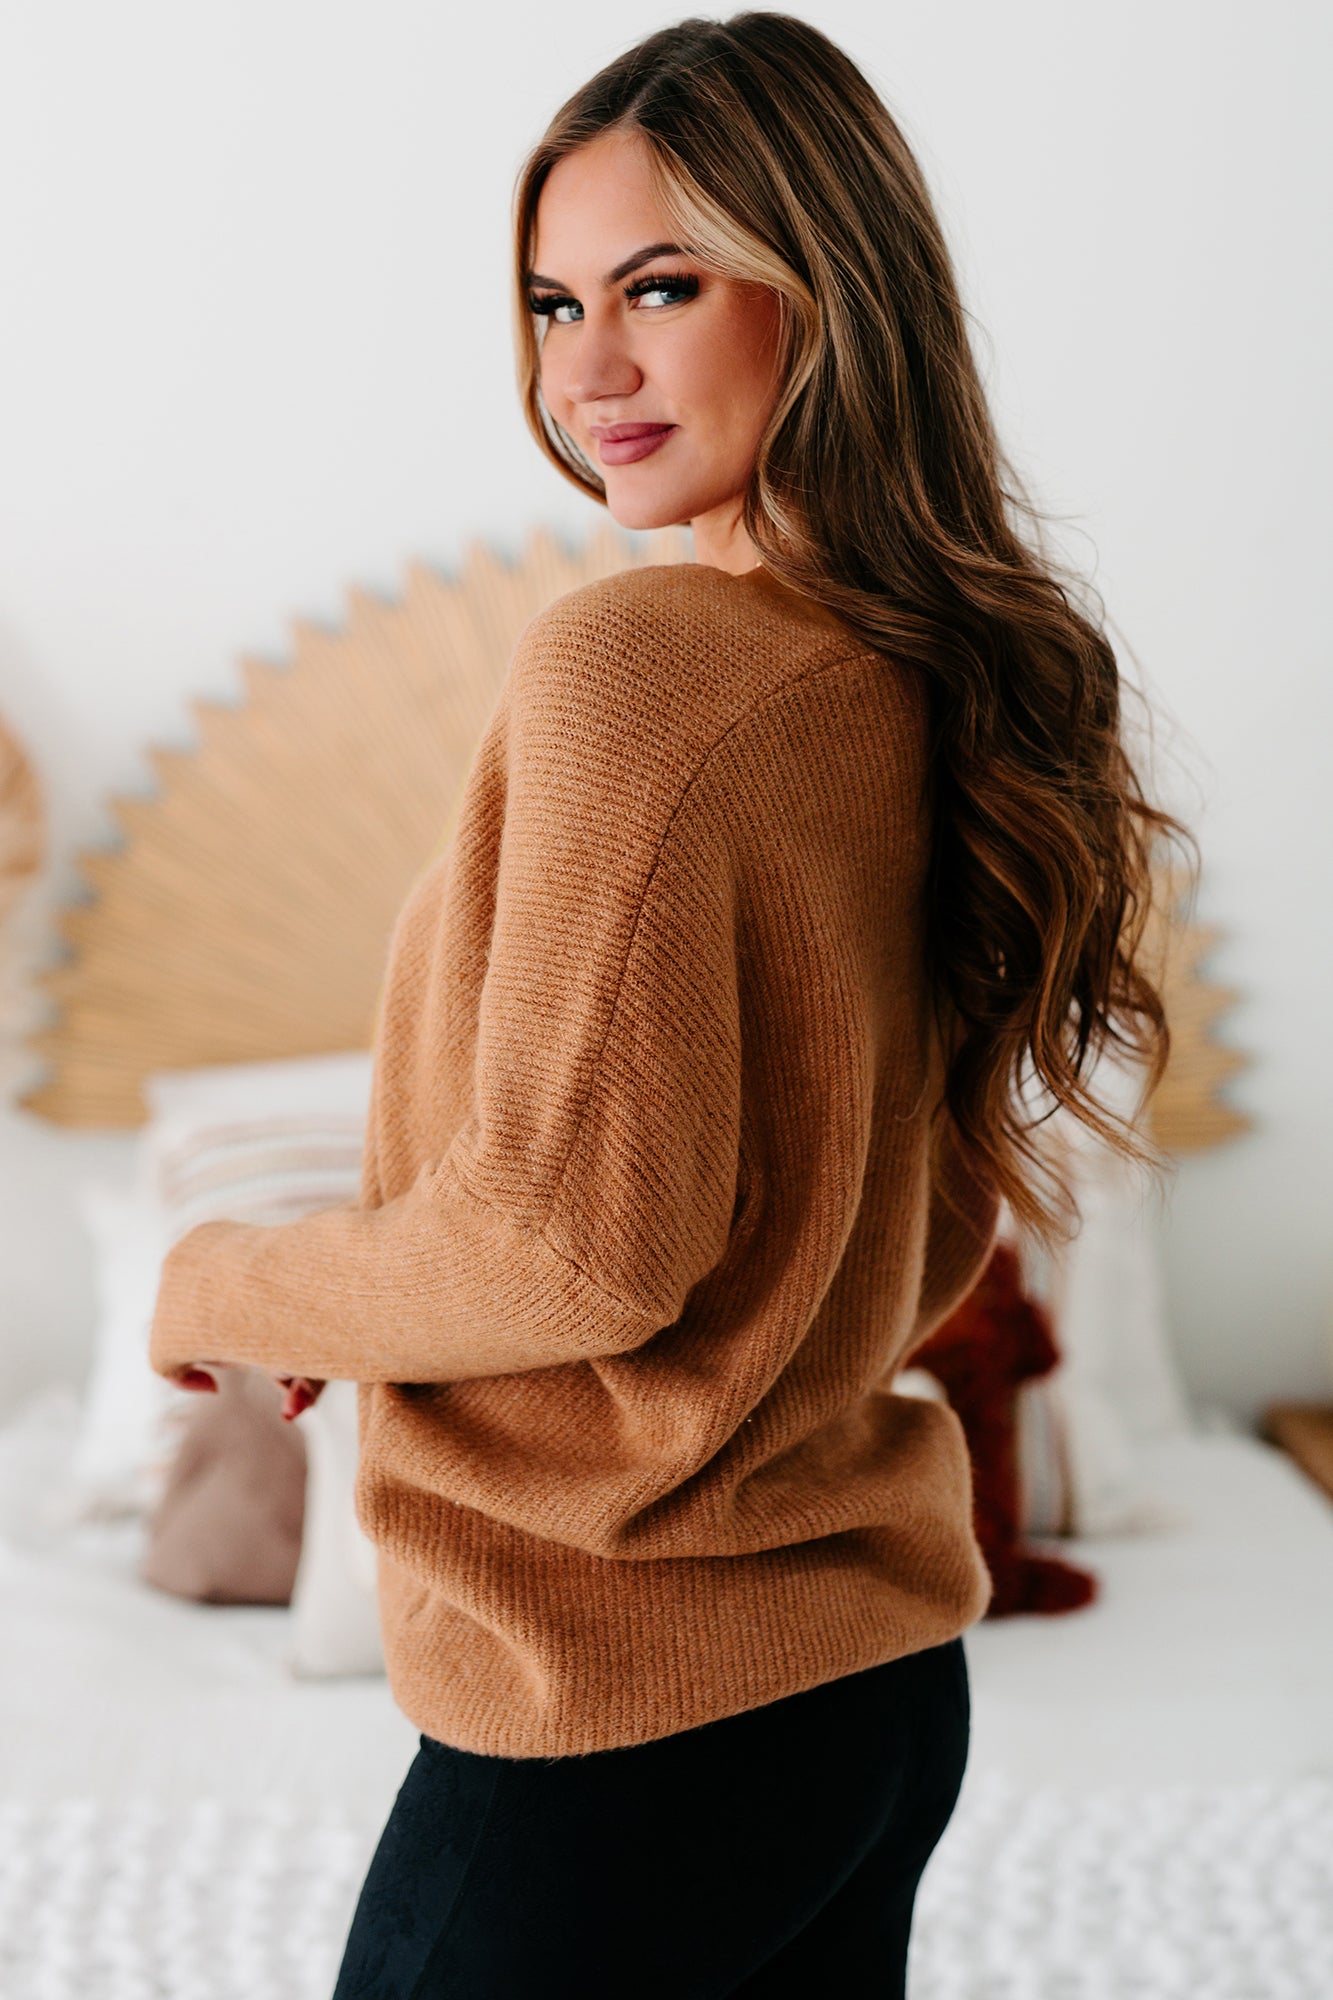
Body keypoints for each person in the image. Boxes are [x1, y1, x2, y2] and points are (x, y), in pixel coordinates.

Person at [150, 12, 1186, 1995]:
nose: (585, 370)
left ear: (826, 290)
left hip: (620, 1724)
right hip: (868, 1690)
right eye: (554, 303)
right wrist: (372, 1298)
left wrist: (227, 1281)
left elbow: (568, 1243)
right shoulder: (925, 675)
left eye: (660, 288)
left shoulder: (637, 665)